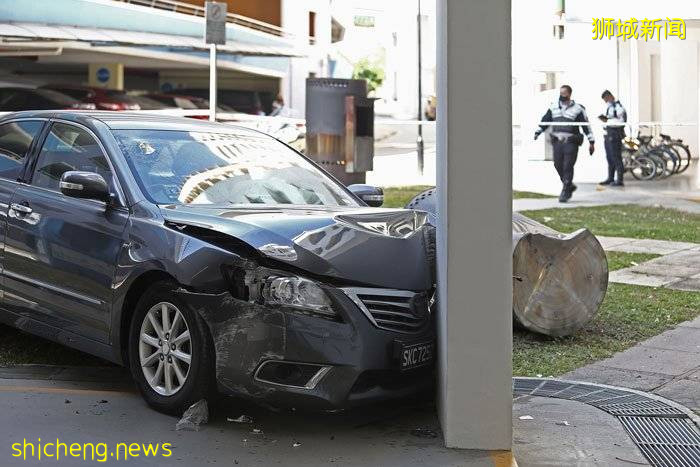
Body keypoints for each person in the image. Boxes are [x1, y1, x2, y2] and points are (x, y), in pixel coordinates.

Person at [534, 85, 595, 202]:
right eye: (560, 93)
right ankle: (569, 184)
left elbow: (586, 126)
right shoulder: (553, 107)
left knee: (568, 166)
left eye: (564, 93)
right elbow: (545, 120)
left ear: (569, 94)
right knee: (557, 165)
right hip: (557, 141)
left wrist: (591, 142)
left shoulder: (578, 109)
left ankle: (565, 191)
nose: (561, 95)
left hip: (571, 142)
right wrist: (538, 132)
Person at [598, 90, 627, 186]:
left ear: (610, 96)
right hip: (608, 133)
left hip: (615, 134)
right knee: (609, 157)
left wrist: (609, 119)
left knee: (616, 157)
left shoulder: (618, 107)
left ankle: (619, 179)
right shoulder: (610, 107)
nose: (606, 101)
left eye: (606, 99)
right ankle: (610, 178)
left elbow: (619, 119)